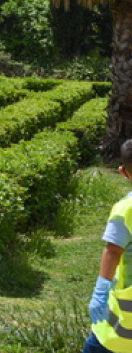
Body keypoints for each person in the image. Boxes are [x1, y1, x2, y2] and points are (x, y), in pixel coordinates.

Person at [86, 139, 132, 353]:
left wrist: (101, 290)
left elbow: (113, 250)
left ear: (122, 172)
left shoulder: (126, 209)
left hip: (123, 324)